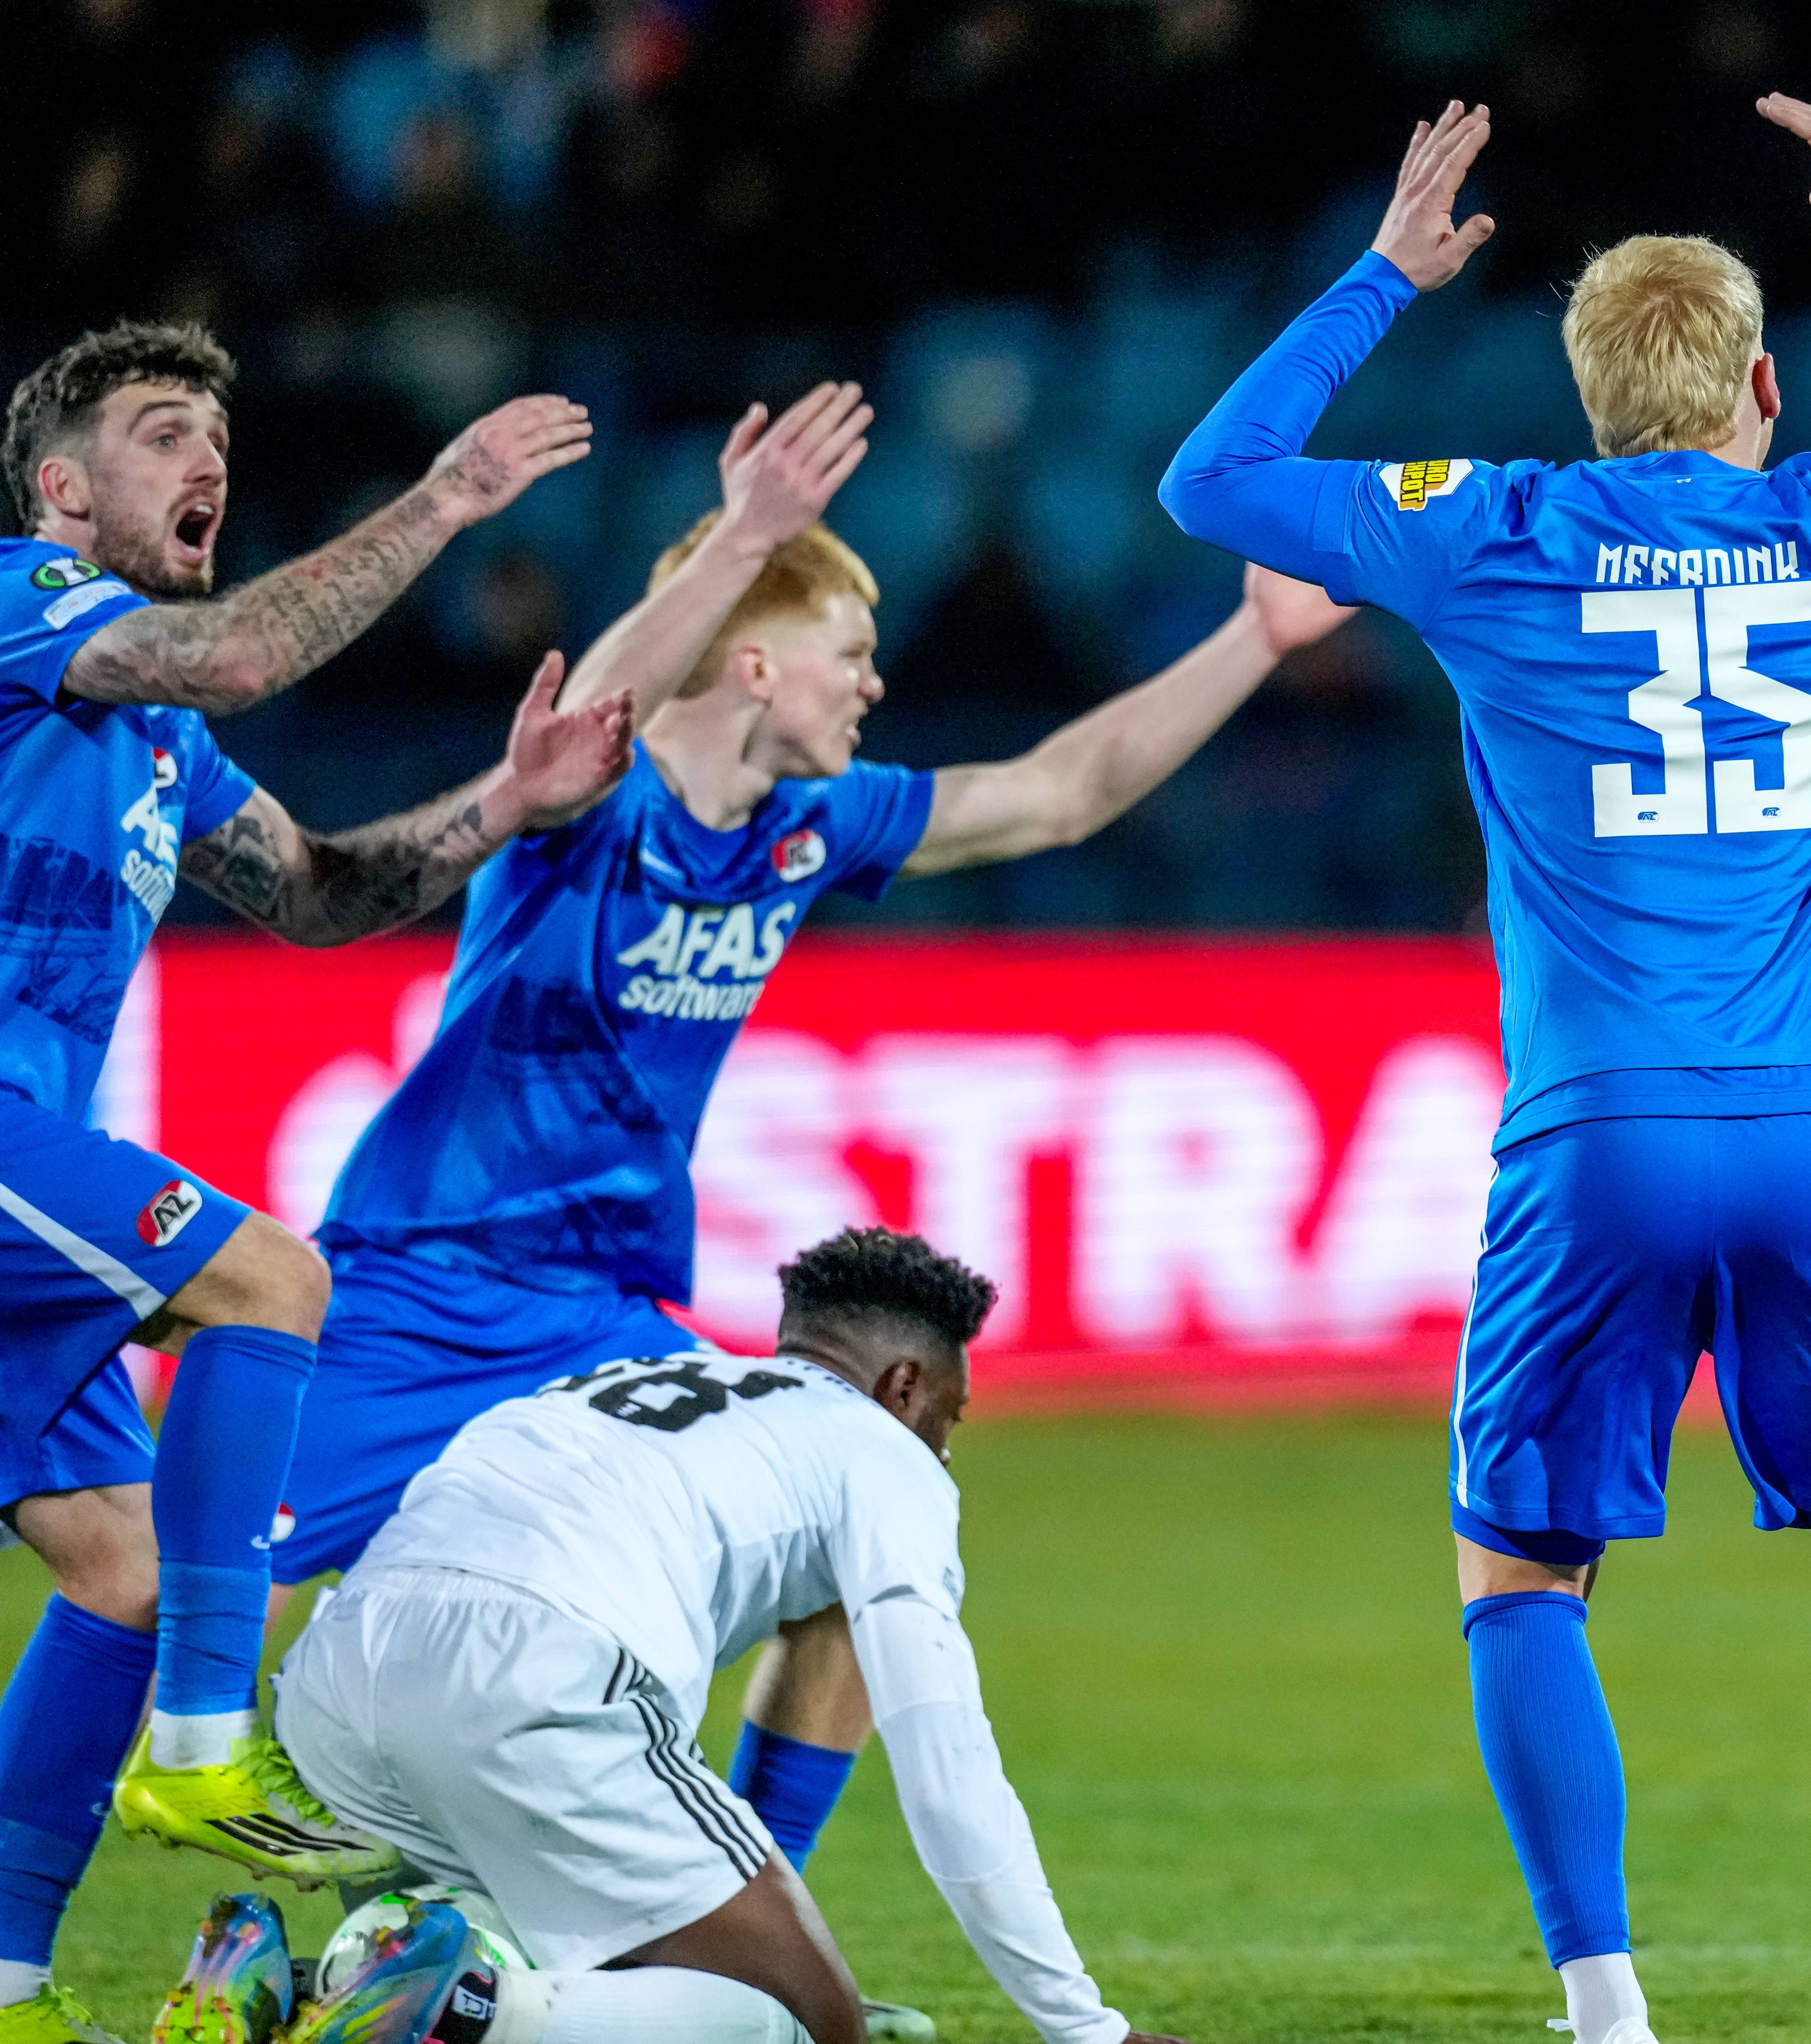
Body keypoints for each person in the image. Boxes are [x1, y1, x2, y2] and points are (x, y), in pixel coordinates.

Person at [1160, 96, 1811, 2044]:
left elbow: (1216, 479)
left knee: (1519, 1581)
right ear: (1761, 384)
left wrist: (1383, 272)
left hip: (1593, 1139)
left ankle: (1607, 2009)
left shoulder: (1493, 527)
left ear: (1591, 395)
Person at [262, 383, 1353, 1941]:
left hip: (608, 1312)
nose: (878, 681)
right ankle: (39, 1946)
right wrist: (748, 538)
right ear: (758, 664)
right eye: (851, 652)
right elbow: (615, 691)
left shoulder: (812, 823)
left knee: (866, 1515)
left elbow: (1056, 792)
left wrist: (1252, 637)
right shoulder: (591, 794)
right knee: (168, 1590)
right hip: (420, 1281)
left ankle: (764, 1931)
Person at [0, 318, 627, 2044]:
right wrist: (446, 497)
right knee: (271, 1275)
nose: (205, 460)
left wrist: (507, 797)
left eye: (216, 431)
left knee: (125, 1567)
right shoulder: (18, 603)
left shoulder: (151, 746)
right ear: (60, 488)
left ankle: (6, 1986)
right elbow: (234, 651)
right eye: (156, 433)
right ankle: (204, 1748)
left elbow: (328, 893)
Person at [268, 1226, 1182, 2044]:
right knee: (807, 2026)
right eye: (951, 1417)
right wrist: (1085, 2028)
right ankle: (466, 2010)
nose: (943, 1447)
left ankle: (285, 1990)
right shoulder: (886, 1452)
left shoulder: (636, 1381)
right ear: (905, 1386)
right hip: (535, 1672)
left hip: (336, 1683)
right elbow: (947, 1763)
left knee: (552, 1975)